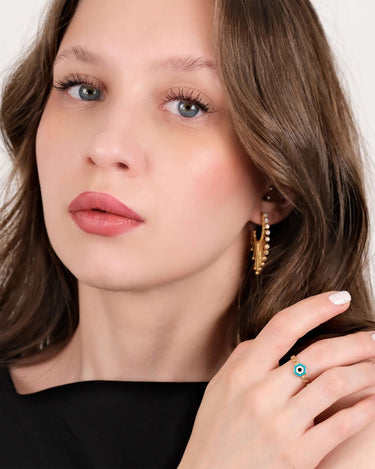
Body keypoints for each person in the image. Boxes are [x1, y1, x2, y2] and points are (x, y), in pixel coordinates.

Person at [0, 0, 375, 467]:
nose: (105, 146)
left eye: (187, 105)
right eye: (84, 89)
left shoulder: (348, 430)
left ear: (274, 186)